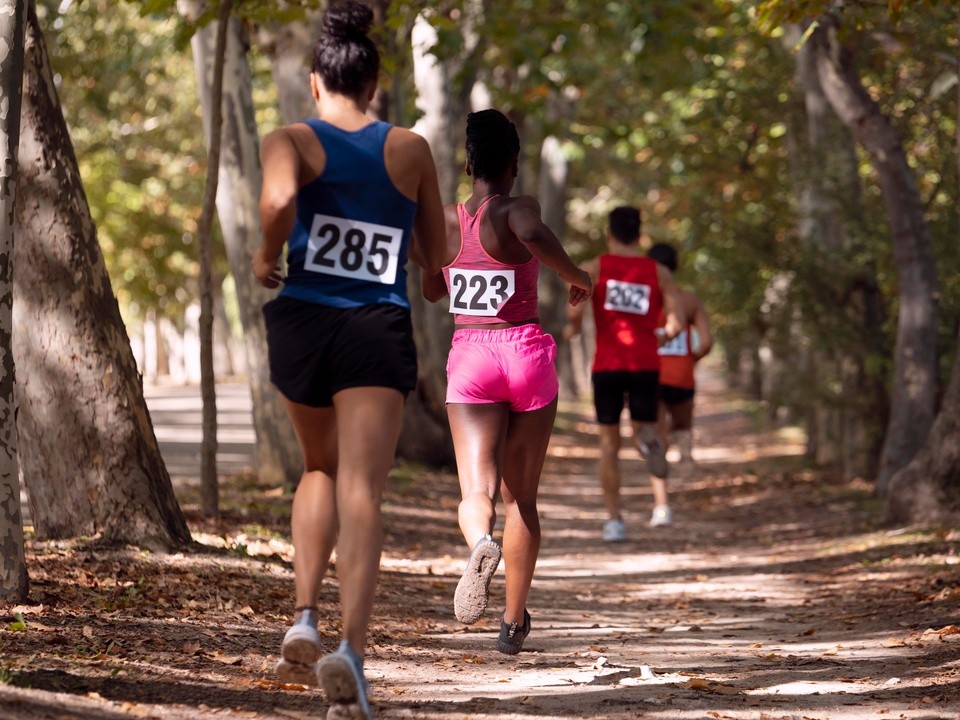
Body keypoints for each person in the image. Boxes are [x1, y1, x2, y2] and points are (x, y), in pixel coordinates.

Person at [252, 2, 445, 717]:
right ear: (375, 86)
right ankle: (352, 655)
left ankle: (303, 615)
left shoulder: (291, 139)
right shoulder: (411, 149)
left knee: (319, 469)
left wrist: (267, 252)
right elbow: (435, 256)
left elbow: (276, 202)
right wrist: (425, 272)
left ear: (315, 83)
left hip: (302, 320)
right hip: (373, 324)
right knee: (364, 486)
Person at [421, 109, 592, 655]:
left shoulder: (446, 219)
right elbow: (534, 234)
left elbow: (430, 289)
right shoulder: (520, 207)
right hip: (524, 353)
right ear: (514, 163)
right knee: (524, 500)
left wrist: (449, 268)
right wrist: (577, 277)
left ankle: (480, 543)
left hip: (470, 356)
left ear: (468, 163)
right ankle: (513, 622)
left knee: (477, 491)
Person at [564, 206, 681, 542]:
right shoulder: (659, 272)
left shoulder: (595, 269)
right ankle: (661, 504)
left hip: (608, 367)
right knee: (645, 432)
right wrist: (660, 335)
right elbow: (673, 323)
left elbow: (575, 315)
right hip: (645, 364)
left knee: (608, 445)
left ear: (610, 233)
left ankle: (614, 520)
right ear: (640, 235)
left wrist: (571, 330)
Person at [648, 242, 713, 474]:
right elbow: (706, 342)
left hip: (650, 375)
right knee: (683, 425)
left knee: (656, 428)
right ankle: (685, 467)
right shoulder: (689, 301)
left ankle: (659, 475)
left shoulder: (644, 301)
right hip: (683, 376)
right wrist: (691, 359)